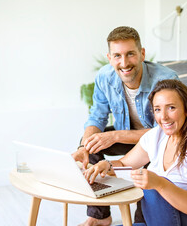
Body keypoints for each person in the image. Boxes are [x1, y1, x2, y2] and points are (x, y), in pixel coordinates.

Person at [72, 26, 178, 226]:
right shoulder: (105, 77)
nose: (124, 62)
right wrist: (83, 148)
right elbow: (97, 116)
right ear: (110, 58)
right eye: (117, 56)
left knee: (151, 160)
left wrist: (115, 136)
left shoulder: (166, 80)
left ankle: (141, 221)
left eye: (130, 54)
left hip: (158, 143)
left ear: (142, 54)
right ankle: (99, 216)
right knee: (90, 143)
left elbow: (167, 131)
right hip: (128, 138)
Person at [84, 79, 187, 226]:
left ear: (186, 110)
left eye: (171, 108)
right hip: (156, 220)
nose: (163, 117)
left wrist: (160, 184)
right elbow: (124, 163)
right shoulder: (156, 136)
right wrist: (107, 165)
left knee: (153, 189)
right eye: (157, 109)